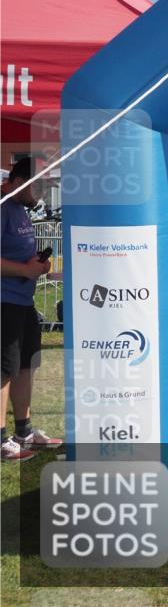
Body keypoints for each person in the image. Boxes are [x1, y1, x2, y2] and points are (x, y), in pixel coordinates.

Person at [1, 157, 62, 461]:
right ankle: (0, 440)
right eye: (38, 186)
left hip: (24, 301)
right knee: (4, 369)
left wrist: (37, 263)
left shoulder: (19, 209)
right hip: (5, 301)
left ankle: (22, 430)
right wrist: (23, 270)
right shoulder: (2, 206)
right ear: (19, 180)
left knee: (26, 365)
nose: (41, 194)